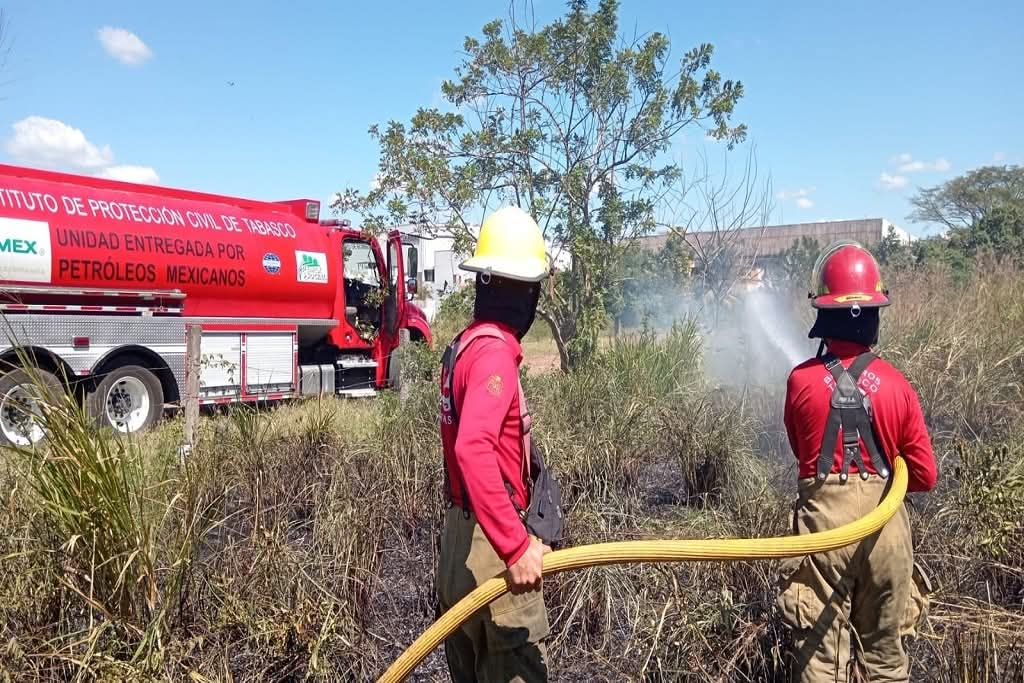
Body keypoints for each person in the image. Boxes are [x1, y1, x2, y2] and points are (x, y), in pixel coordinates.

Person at [777, 240, 939, 682]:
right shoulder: (897, 385)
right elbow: (924, 475)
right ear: (874, 316)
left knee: (820, 660)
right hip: (886, 536)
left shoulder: (800, 382)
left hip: (823, 537)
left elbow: (801, 452)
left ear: (822, 316)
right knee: (885, 661)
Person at [437, 205, 552, 683]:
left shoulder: (464, 344)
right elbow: (473, 448)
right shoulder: (494, 354)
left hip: (458, 543)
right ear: (523, 291)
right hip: (489, 552)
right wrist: (515, 544)